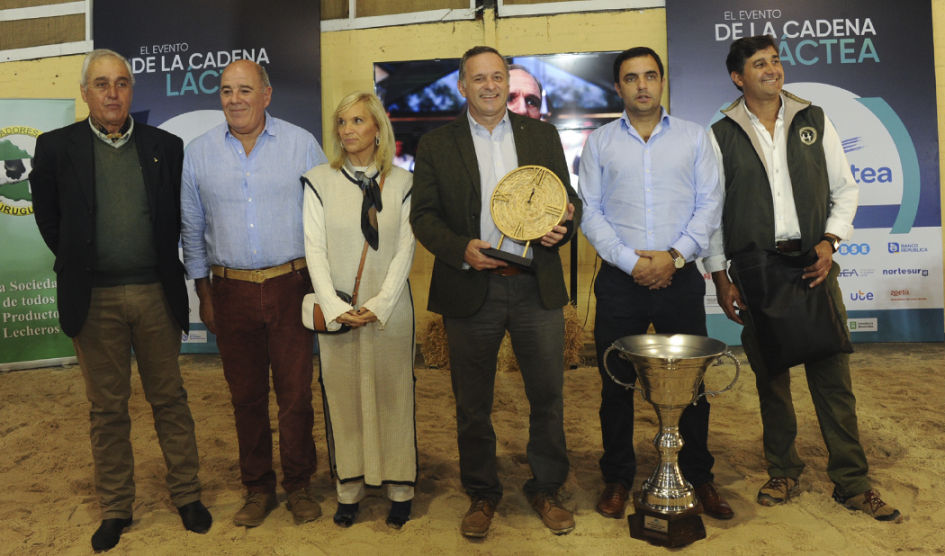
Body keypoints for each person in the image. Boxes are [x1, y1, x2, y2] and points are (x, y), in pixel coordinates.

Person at [704, 35, 902, 523]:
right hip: (755, 274)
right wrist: (719, 277)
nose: (772, 69)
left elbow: (846, 189)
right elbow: (710, 212)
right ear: (738, 76)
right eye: (759, 64)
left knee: (833, 380)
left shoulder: (813, 119)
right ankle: (783, 471)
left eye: (775, 61)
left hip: (813, 266)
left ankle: (852, 483)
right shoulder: (720, 133)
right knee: (771, 380)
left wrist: (830, 242)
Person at [30, 49, 211, 552]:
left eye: (122, 83)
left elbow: (182, 216)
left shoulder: (166, 146)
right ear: (85, 92)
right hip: (94, 299)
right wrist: (82, 258)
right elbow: (49, 218)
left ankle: (188, 495)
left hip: (156, 293)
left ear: (132, 90)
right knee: (106, 410)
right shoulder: (53, 147)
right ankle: (116, 508)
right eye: (102, 84)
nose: (113, 93)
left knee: (169, 399)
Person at [410, 46, 582, 538]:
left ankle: (547, 488)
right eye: (478, 78)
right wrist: (462, 248)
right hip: (471, 285)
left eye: (497, 76)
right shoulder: (436, 144)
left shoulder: (542, 135)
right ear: (461, 86)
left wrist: (563, 227)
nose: (489, 85)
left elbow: (567, 202)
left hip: (534, 285)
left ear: (508, 83)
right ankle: (482, 494)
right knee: (472, 403)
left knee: (547, 395)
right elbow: (422, 216)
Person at [578, 47, 730, 520]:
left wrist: (675, 256)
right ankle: (618, 477)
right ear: (618, 87)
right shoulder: (600, 142)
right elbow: (591, 211)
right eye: (630, 78)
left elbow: (710, 205)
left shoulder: (695, 138)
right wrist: (631, 262)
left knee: (692, 386)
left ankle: (697, 475)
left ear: (662, 81)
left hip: (679, 277)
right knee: (615, 383)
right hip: (621, 283)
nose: (641, 85)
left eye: (649, 76)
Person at [180, 59, 328, 527]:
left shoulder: (302, 145)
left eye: (245, 90)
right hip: (229, 291)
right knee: (244, 398)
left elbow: (325, 220)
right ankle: (258, 488)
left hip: (292, 287)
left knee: (295, 396)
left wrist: (324, 287)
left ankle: (300, 485)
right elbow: (192, 228)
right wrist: (204, 293)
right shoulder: (198, 152)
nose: (235, 99)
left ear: (266, 94)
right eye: (226, 91)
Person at [302, 91, 417, 530]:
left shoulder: (404, 183)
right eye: (342, 122)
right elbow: (313, 248)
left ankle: (400, 490)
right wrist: (332, 306)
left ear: (376, 128)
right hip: (339, 310)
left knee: (394, 396)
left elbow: (406, 249)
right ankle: (348, 491)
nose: (348, 130)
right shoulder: (317, 181)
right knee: (342, 396)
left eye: (357, 121)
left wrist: (380, 303)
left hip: (390, 309)